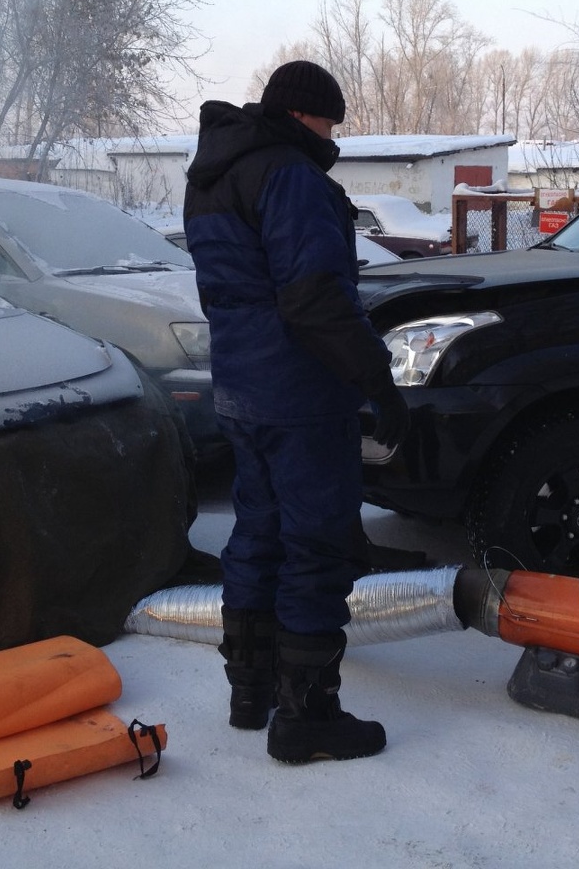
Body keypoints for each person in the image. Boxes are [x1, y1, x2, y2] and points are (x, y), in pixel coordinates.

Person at [183, 59, 409, 764]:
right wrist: (378, 378)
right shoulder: (292, 176)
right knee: (316, 544)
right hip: (301, 394)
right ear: (305, 114)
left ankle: (250, 692)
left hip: (241, 386)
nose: (333, 135)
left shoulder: (213, 176)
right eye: (331, 122)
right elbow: (313, 297)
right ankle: (308, 716)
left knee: (258, 534)